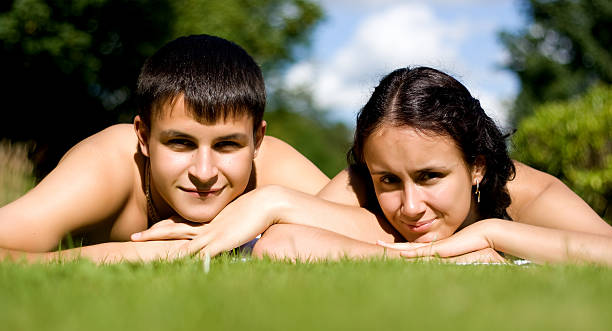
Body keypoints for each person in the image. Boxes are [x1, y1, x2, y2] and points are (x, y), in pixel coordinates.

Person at [150, 66, 612, 265]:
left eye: (431, 176)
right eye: (388, 180)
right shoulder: (360, 187)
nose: (410, 206)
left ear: (476, 167)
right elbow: (276, 246)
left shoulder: (528, 193)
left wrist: (492, 233)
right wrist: (273, 201)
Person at [0, 34, 329, 263]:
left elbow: (373, 221)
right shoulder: (107, 167)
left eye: (227, 145)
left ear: (257, 140)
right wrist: (132, 254)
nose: (204, 172)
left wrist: (272, 203)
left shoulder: (272, 168)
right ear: (143, 136)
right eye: (180, 143)